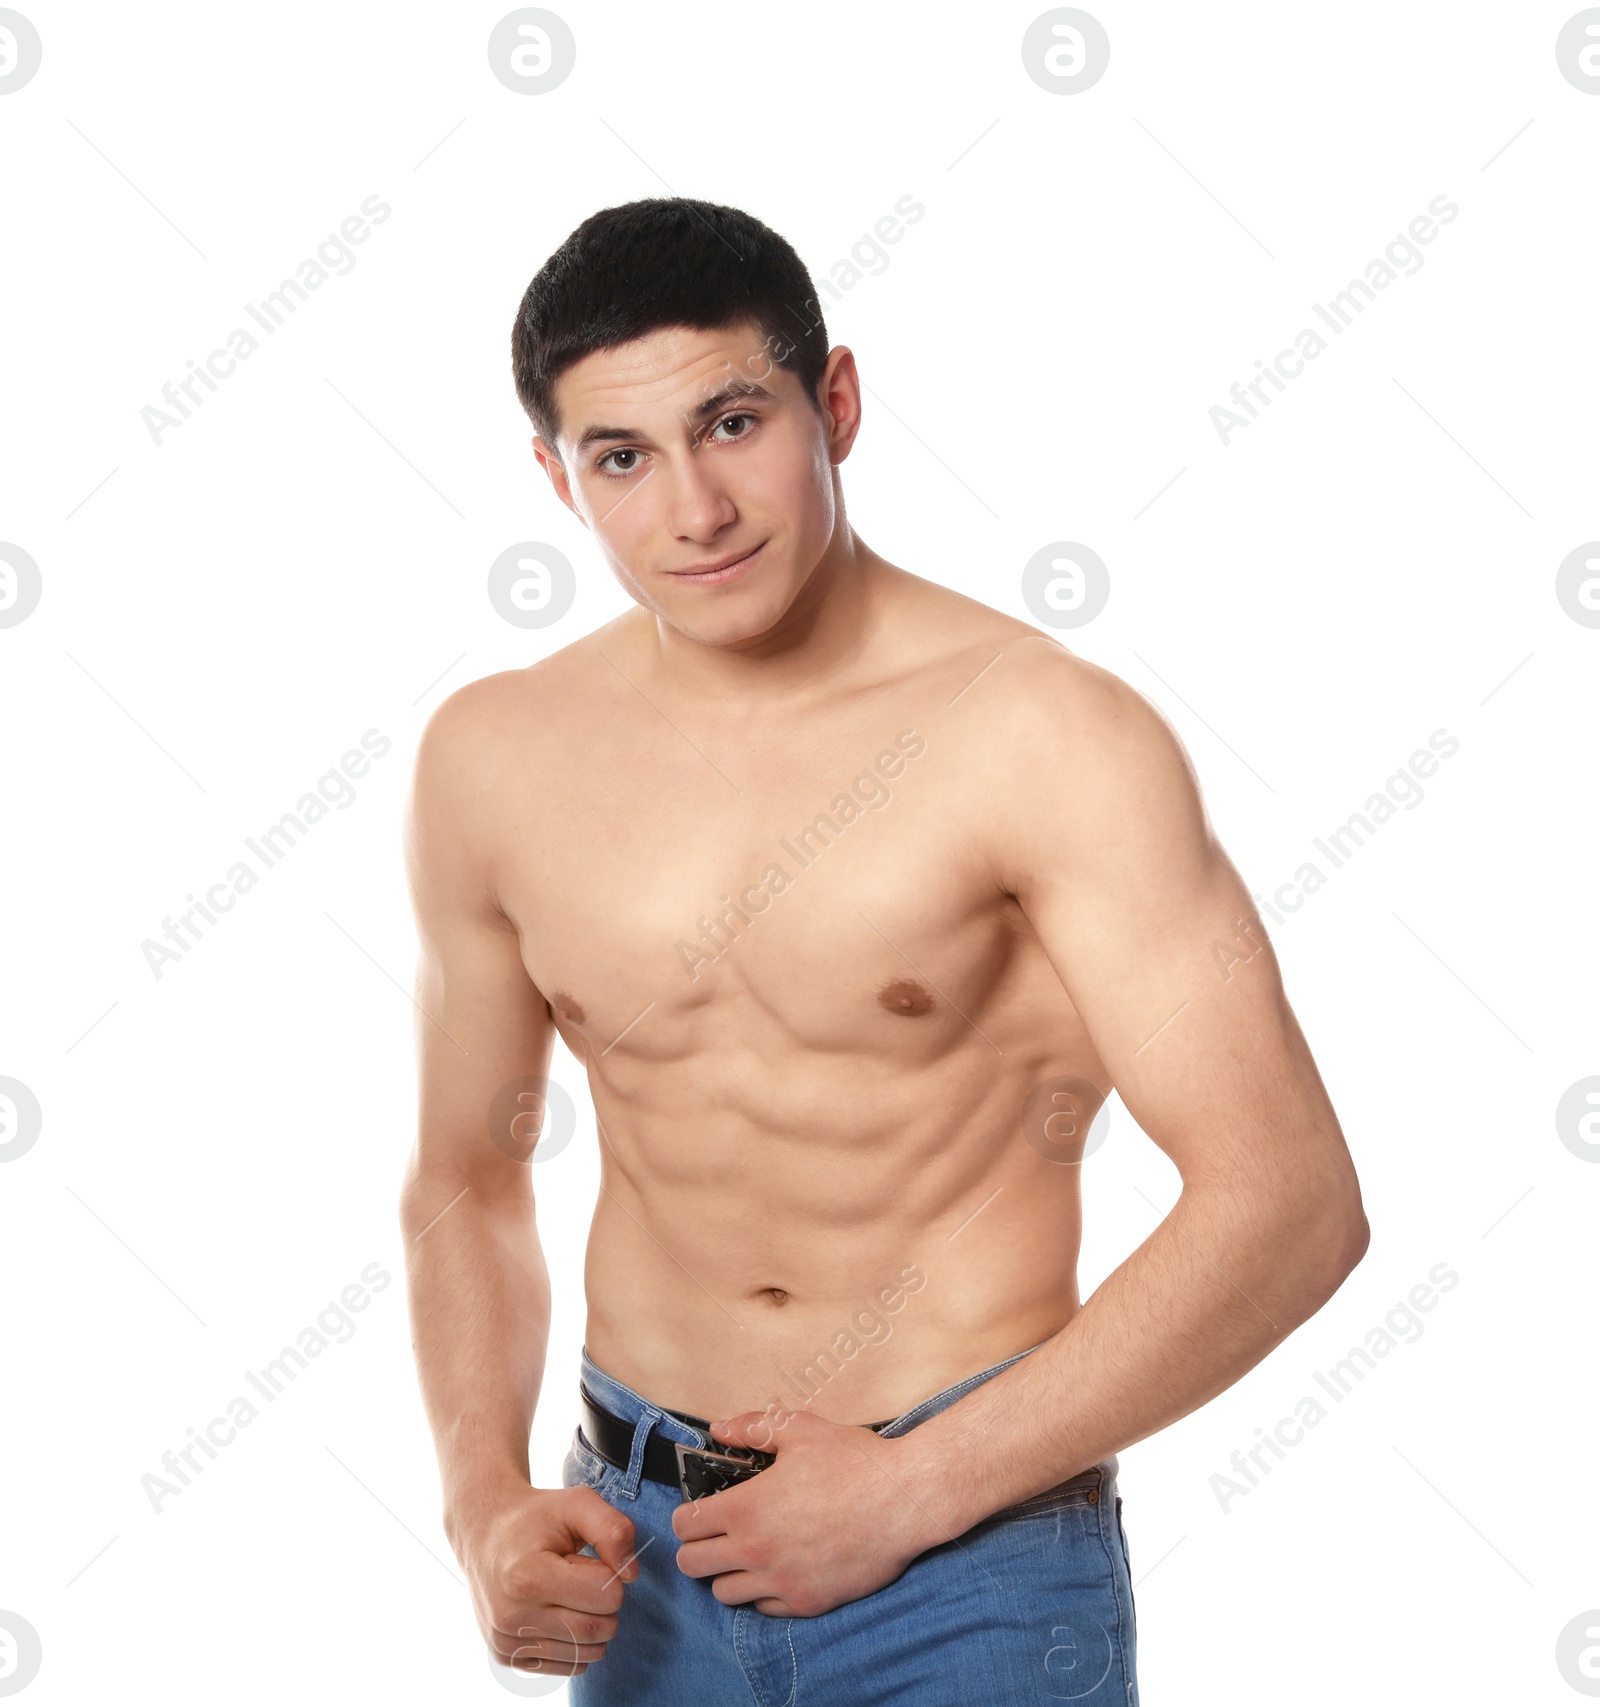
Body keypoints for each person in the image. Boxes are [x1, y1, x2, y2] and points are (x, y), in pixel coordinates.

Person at [399, 197, 1368, 1703]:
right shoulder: (493, 759)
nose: (695, 511)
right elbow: (467, 1174)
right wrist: (480, 1503)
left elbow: (1292, 1202)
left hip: (964, 1563)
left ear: (833, 402)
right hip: (636, 1557)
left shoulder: (1045, 739)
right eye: (622, 459)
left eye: (733, 422)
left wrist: (918, 1489)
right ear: (556, 476)